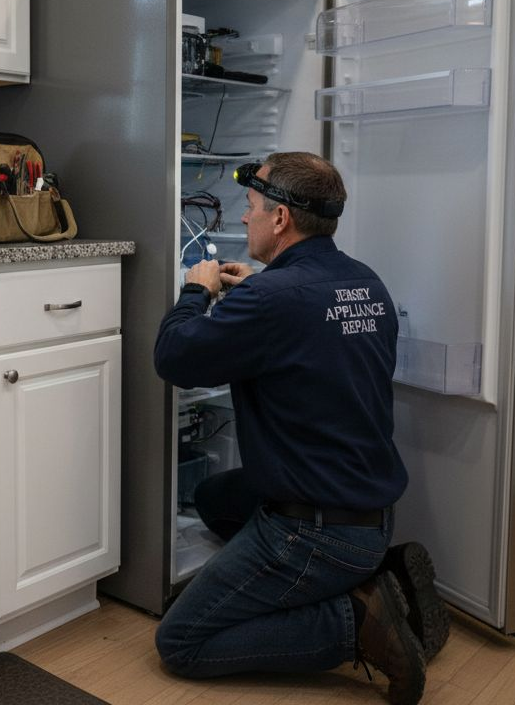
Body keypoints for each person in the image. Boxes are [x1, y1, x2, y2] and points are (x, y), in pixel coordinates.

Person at [152, 152, 447, 705]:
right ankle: (366, 578)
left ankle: (353, 621)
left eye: (253, 206)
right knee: (216, 497)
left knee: (181, 641)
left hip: (315, 530)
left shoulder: (273, 299)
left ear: (281, 219)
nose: (245, 218)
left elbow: (174, 357)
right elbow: (305, 332)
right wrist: (253, 293)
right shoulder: (365, 283)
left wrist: (196, 290)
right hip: (368, 511)